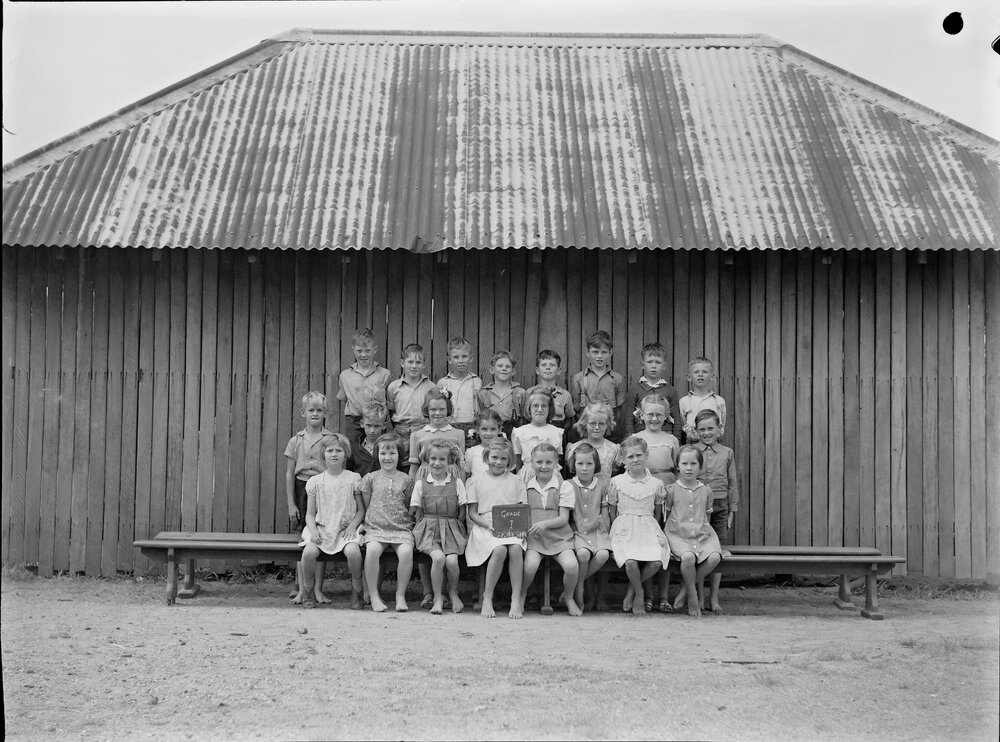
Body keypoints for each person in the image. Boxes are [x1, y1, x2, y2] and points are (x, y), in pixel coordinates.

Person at [406, 388, 466, 607]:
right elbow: (413, 467)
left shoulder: (457, 434)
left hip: (450, 482)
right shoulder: (418, 434)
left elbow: (461, 464)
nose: (437, 413)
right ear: (427, 410)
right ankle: (428, 591)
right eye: (433, 409)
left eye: (441, 409)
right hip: (425, 480)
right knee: (427, 538)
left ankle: (450, 592)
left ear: (448, 410)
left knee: (447, 544)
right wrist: (412, 490)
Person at [298, 434, 365, 609]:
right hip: (322, 528)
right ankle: (308, 589)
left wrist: (352, 526)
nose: (334, 454)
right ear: (323, 454)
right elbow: (310, 514)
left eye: (338, 450)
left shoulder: (353, 478)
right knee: (308, 553)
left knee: (353, 552)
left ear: (345, 454)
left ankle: (357, 587)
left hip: (345, 530)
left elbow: (361, 510)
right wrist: (313, 530)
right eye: (330, 450)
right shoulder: (315, 482)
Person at [464, 438, 528, 619]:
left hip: (512, 526)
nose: (498, 462)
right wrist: (488, 525)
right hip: (485, 526)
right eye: (494, 457)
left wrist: (520, 527)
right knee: (499, 550)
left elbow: (522, 509)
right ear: (486, 457)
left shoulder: (516, 481)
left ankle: (515, 598)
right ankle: (487, 596)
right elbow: (473, 513)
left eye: (504, 459)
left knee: (515, 548)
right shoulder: (475, 480)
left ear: (510, 461)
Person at [607, 436, 669, 616]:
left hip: (648, 526)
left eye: (639, 455)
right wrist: (616, 529)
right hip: (624, 528)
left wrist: (654, 530)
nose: (635, 459)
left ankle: (632, 589)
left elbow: (657, 513)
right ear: (623, 460)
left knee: (657, 561)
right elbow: (612, 510)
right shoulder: (617, 482)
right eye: (630, 456)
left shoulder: (656, 484)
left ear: (646, 455)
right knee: (631, 562)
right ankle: (640, 593)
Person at [283, 391, 335, 603]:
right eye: (311, 410)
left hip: (324, 487)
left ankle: (318, 589)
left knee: (320, 537)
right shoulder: (296, 440)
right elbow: (289, 472)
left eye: (319, 410)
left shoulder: (330, 439)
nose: (315, 413)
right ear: (303, 413)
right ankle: (302, 588)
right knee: (302, 540)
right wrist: (290, 503)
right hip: (301, 488)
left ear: (325, 413)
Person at [519, 443, 581, 616]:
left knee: (571, 566)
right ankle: (521, 596)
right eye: (539, 462)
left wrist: (545, 524)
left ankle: (568, 597)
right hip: (534, 537)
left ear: (556, 464)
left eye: (548, 462)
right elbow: (522, 513)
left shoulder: (564, 486)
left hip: (559, 536)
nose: (544, 466)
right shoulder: (525, 485)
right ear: (531, 463)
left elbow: (563, 518)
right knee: (530, 566)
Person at [634, 394, 681, 612]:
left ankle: (663, 595)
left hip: (667, 487)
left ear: (666, 416)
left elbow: (677, 468)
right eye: (650, 414)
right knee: (646, 541)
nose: (654, 418)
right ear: (641, 415)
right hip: (643, 491)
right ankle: (647, 594)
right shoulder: (636, 438)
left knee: (665, 541)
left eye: (658, 414)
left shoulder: (671, 440)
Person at [664, 445, 724, 617]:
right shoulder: (671, 489)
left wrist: (706, 535)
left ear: (700, 466)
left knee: (714, 557)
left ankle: (685, 588)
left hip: (702, 532)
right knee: (688, 557)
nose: (689, 468)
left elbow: (707, 516)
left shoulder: (706, 490)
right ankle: (693, 595)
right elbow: (666, 515)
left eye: (693, 463)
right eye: (684, 463)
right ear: (677, 466)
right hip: (678, 533)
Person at [411, 439, 469, 614]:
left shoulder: (456, 482)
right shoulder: (421, 483)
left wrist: (456, 527)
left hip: (451, 527)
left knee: (452, 561)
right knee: (438, 558)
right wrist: (421, 528)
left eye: (442, 459)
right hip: (428, 529)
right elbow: (417, 511)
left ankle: (453, 592)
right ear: (427, 460)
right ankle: (437, 597)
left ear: (449, 461)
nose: (437, 463)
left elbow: (462, 510)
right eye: (433, 459)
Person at [358, 433, 415, 613]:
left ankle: (400, 595)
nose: (387, 457)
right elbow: (367, 504)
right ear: (377, 455)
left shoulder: (406, 479)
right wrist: (372, 520)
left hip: (400, 528)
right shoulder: (370, 478)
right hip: (376, 527)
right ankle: (374, 594)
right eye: (383, 453)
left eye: (392, 453)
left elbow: (407, 504)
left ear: (400, 455)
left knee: (406, 553)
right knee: (373, 551)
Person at [688, 409, 738, 614]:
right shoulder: (692, 451)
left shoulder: (727, 453)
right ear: (696, 431)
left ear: (720, 429)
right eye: (702, 429)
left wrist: (732, 509)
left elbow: (732, 482)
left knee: (717, 551)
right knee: (701, 551)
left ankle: (714, 597)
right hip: (698, 505)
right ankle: (699, 596)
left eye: (711, 428)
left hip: (720, 505)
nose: (707, 433)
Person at [565, 443, 611, 612]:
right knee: (583, 554)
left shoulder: (602, 484)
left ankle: (577, 583)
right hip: (577, 530)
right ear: (574, 465)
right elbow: (567, 514)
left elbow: (604, 511)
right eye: (580, 464)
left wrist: (607, 531)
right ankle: (580, 590)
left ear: (595, 465)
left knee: (603, 555)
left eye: (589, 464)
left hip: (598, 530)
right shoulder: (568, 485)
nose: (584, 468)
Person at [337, 328, 391, 453]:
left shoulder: (384, 374)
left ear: (375, 349)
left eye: (367, 350)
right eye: (359, 351)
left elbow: (388, 399)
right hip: (354, 421)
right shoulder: (345, 375)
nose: (363, 355)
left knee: (378, 450)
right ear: (353, 350)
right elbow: (345, 397)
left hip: (376, 421)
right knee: (352, 451)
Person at [570, 330, 626, 442]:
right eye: (595, 352)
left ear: (610, 352)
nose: (599, 356)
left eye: (604, 352)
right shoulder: (579, 378)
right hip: (586, 431)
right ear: (587, 352)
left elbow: (618, 410)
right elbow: (576, 409)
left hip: (609, 430)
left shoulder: (617, 378)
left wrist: (612, 428)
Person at [386, 343, 436, 461]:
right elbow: (392, 410)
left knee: (424, 462)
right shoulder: (393, 387)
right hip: (400, 432)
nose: (414, 366)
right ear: (402, 363)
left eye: (418, 362)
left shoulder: (431, 387)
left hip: (423, 430)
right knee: (400, 462)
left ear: (424, 364)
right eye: (410, 362)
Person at [622, 342, 683, 439]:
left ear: (664, 365)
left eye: (658, 362)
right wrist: (631, 440)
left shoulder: (670, 391)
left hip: (665, 436)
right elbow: (628, 419)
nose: (653, 366)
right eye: (650, 362)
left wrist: (677, 440)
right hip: (641, 437)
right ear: (642, 364)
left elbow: (676, 420)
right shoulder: (634, 390)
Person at [436, 336, 482, 441]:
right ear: (449, 360)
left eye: (464, 356)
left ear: (471, 358)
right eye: (456, 357)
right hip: (450, 426)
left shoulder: (476, 381)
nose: (460, 361)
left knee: (470, 454)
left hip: (472, 426)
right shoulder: (443, 383)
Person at [511, 389, 564, 477]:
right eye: (535, 406)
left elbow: (557, 459)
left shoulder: (556, 432)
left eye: (544, 406)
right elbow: (517, 461)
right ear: (529, 408)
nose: (539, 409)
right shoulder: (520, 432)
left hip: (550, 475)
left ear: (549, 409)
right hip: (528, 475)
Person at [476, 351, 527, 439]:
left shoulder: (520, 393)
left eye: (508, 366)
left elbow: (525, 416)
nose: (504, 369)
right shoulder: (483, 393)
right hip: (490, 434)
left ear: (513, 371)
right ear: (492, 370)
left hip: (513, 434)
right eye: (500, 366)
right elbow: (479, 418)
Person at [565, 402, 620, 483]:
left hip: (604, 493)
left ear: (607, 425)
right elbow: (572, 472)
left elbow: (614, 475)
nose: (597, 427)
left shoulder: (614, 449)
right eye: (592, 423)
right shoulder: (575, 448)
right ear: (585, 424)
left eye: (601, 424)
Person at [523, 349, 575, 432]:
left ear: (558, 370)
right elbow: (526, 416)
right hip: (535, 432)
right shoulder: (530, 392)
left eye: (552, 365)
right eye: (543, 365)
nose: (548, 368)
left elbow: (569, 418)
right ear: (537, 370)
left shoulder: (565, 395)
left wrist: (560, 433)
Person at [678, 356, 727, 443]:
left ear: (712, 377)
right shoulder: (684, 401)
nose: (700, 374)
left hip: (713, 445)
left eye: (704, 372)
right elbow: (683, 423)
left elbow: (721, 423)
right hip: (692, 445)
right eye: (696, 372)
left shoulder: (719, 401)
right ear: (689, 377)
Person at [465, 409, 504, 483]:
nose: (488, 433)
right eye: (484, 429)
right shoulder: (471, 452)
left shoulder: (505, 451)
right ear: (477, 429)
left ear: (499, 430)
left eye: (493, 429)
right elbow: (467, 476)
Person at [351, 401, 390, 477]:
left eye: (377, 426)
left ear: (384, 425)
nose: (372, 430)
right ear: (362, 424)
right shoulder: (355, 447)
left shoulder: (389, 446)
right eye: (369, 425)